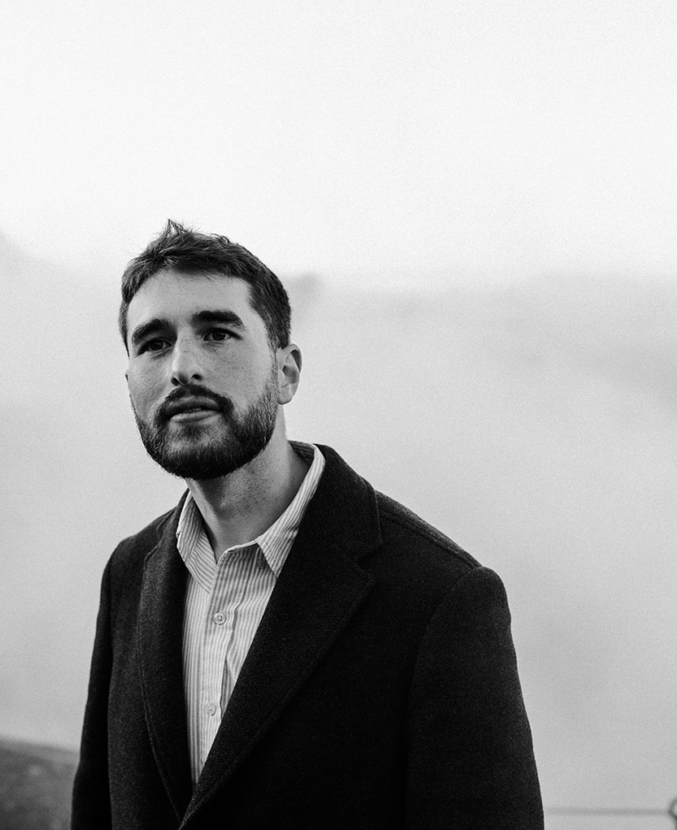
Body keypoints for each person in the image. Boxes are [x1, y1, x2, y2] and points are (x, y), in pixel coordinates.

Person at [71, 222, 543, 828]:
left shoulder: (439, 597)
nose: (182, 366)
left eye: (216, 333)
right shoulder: (130, 571)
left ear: (287, 372)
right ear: (131, 381)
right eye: (154, 343)